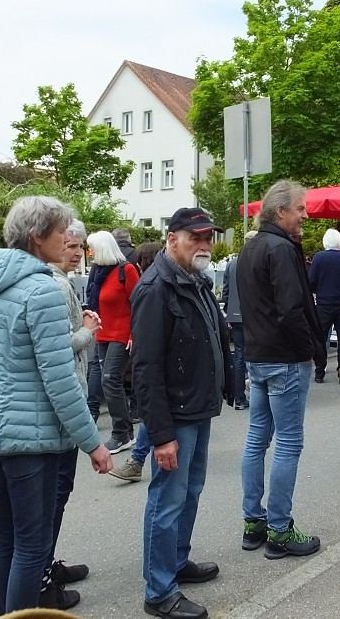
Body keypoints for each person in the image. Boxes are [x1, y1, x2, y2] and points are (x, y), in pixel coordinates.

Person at [0, 196, 113, 615]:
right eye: (61, 230)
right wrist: (94, 444)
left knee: (5, 538)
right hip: (31, 440)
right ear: (37, 238)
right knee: (32, 544)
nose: (68, 237)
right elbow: (60, 380)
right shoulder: (42, 291)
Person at [131, 207, 232, 619]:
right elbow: (146, 368)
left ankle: (175, 563)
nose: (204, 245)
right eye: (196, 238)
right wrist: (160, 434)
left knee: (188, 492)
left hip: (198, 407)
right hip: (176, 414)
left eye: (209, 238)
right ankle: (159, 591)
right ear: (172, 239)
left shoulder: (195, 281)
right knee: (167, 500)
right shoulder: (156, 288)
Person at [236, 180, 322, 560]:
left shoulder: (251, 246)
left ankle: (254, 522)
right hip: (284, 358)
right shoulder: (281, 248)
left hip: (258, 355)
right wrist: (308, 351)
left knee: (257, 439)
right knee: (287, 443)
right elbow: (291, 309)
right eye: (300, 209)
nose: (306, 214)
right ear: (280, 211)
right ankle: (279, 528)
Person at [44, 219, 100, 600]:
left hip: (57, 404)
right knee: (56, 491)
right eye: (70, 246)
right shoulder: (56, 284)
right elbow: (59, 345)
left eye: (80, 247)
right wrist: (87, 330)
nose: (77, 253)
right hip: (62, 404)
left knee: (56, 492)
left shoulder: (57, 281)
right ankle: (43, 575)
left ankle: (46, 565)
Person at [110, 241, 161, 484]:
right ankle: (138, 460)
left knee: (154, 412)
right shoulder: (158, 282)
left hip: (158, 365)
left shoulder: (148, 285)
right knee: (155, 413)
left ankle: (137, 460)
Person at [85, 230, 140, 452]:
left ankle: (121, 433)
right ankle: (125, 432)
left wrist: (133, 335)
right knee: (110, 382)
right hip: (103, 333)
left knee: (110, 380)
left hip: (121, 334)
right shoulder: (99, 272)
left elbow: (139, 304)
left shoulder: (125, 270)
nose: (89, 253)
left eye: (92, 248)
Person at [309, 229, 340, 385]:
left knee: (321, 337)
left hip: (324, 303)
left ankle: (319, 371)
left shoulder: (319, 258)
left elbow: (312, 281)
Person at [221, 231, 258, 410]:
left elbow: (226, 291)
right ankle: (257, 394)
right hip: (254, 316)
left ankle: (238, 398)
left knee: (239, 355)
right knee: (256, 354)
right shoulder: (256, 262)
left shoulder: (232, 263)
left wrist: (229, 312)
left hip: (235, 315)